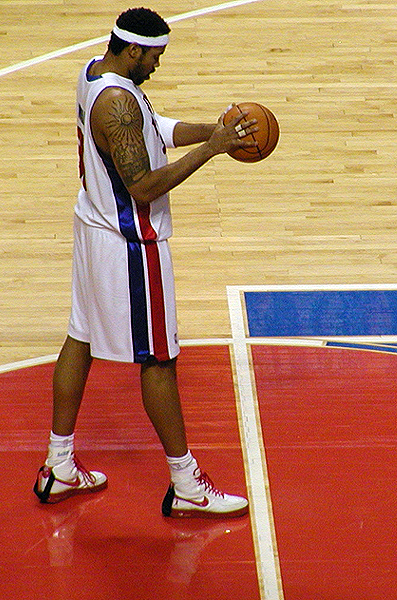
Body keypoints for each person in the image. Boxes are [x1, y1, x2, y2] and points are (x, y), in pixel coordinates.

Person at [34, 7, 257, 518]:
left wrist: (213, 131)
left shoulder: (96, 72)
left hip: (92, 226)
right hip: (130, 244)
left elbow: (152, 127)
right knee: (159, 359)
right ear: (134, 50)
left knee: (81, 337)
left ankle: (58, 463)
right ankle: (186, 483)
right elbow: (143, 186)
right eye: (155, 56)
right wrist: (213, 151)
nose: (158, 64)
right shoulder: (117, 103)